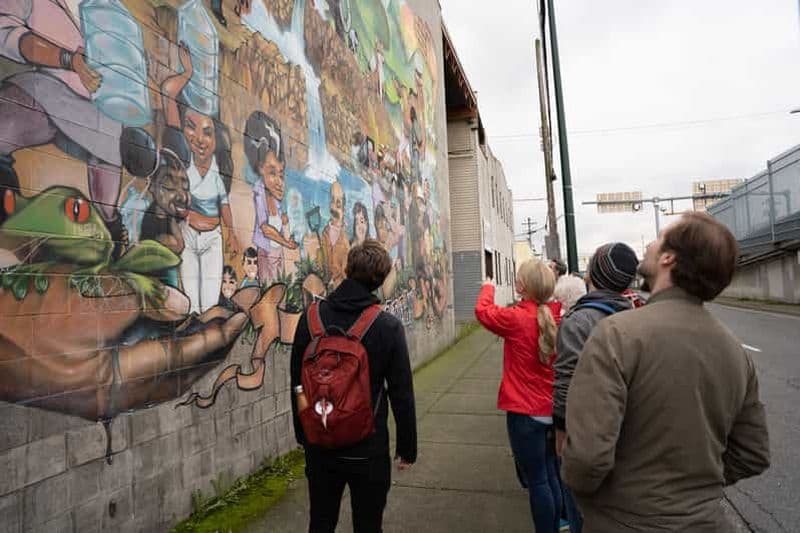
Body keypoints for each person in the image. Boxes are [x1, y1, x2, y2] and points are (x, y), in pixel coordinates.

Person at [562, 212, 770, 532]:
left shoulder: (617, 333)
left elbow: (587, 458)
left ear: (669, 258)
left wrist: (606, 494)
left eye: (658, 238)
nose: (649, 245)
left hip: (623, 520)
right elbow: (753, 453)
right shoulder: (734, 351)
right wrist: (692, 491)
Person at [290, 240, 416, 533]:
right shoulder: (387, 326)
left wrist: (303, 433)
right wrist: (407, 447)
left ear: (347, 269)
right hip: (368, 449)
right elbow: (401, 393)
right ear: (381, 279)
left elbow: (297, 384)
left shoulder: (309, 320)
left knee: (320, 522)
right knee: (368, 525)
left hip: (320, 443)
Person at [552, 242, 639, 532]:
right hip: (632, 436)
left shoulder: (577, 321)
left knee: (584, 513)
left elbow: (567, 382)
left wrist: (561, 434)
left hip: (588, 435)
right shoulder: (639, 315)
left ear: (593, 275)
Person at [474, 259, 563, 533]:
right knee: (550, 475)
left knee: (536, 480)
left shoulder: (516, 319)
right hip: (553, 411)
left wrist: (488, 287)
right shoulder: (558, 317)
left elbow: (482, 311)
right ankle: (560, 523)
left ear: (521, 286)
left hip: (525, 414)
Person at [162, 44, 239, 314]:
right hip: (188, 237)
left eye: (207, 132)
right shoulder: (182, 159)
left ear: (216, 139)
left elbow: (224, 205)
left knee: (209, 304)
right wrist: (189, 73)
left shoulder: (219, 169)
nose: (199, 139)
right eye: (191, 128)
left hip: (212, 240)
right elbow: (169, 94)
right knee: (192, 305)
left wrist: (230, 234)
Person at [245, 111, 298, 284]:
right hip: (266, 254)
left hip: (278, 253)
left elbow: (280, 221)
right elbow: (265, 228)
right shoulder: (259, 191)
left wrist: (285, 224)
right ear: (260, 168)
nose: (279, 181)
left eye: (281, 174)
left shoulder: (276, 195)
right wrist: (285, 242)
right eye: (272, 173)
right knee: (269, 292)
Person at [321, 182, 350, 289]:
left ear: (344, 210)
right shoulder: (324, 234)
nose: (334, 208)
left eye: (338, 204)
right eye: (332, 201)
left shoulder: (346, 240)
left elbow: (347, 272)